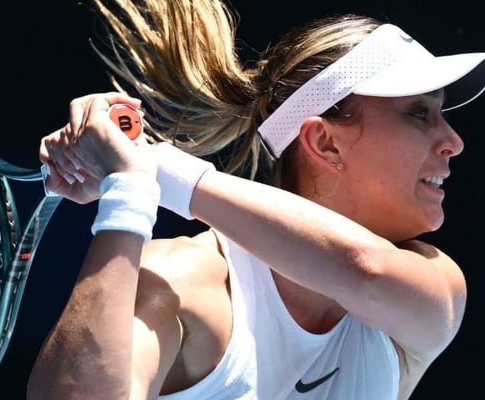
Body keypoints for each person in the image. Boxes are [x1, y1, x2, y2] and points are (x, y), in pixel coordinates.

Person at [27, 0, 485, 399]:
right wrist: (129, 192)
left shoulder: (433, 283)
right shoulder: (182, 281)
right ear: (325, 143)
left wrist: (153, 167)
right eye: (419, 113)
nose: (454, 141)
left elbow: (366, 270)